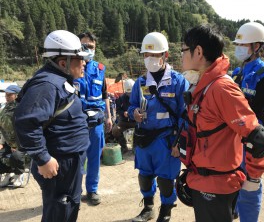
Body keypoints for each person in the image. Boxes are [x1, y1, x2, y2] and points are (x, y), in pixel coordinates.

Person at [179, 25, 264, 222]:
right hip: (202, 181)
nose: (181, 55)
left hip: (216, 186)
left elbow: (259, 139)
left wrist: (252, 180)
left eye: (183, 50)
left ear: (198, 52)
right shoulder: (202, 84)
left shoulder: (221, 88)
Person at [14, 30, 90, 222]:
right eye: (79, 59)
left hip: (69, 160)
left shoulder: (60, 80)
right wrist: (43, 158)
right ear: (63, 62)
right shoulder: (47, 85)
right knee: (59, 211)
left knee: (68, 208)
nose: (84, 63)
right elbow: (26, 123)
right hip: (58, 164)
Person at [128, 32, 189, 222]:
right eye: (146, 55)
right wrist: (133, 113)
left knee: (165, 179)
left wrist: (179, 143)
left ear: (165, 55)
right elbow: (131, 106)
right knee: (145, 176)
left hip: (166, 140)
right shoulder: (140, 82)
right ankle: (148, 209)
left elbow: (185, 115)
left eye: (155, 55)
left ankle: (166, 211)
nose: (150, 59)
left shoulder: (178, 82)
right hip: (145, 139)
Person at [231, 22, 264, 222]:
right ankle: (235, 210)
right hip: (233, 135)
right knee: (233, 177)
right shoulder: (236, 72)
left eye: (244, 45)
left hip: (251, 138)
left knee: (250, 183)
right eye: (238, 44)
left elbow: (258, 108)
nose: (239, 48)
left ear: (257, 46)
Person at [74, 31, 113, 206]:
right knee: (76, 159)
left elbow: (105, 94)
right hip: (77, 122)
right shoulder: (72, 67)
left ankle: (92, 190)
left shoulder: (100, 69)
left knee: (95, 158)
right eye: (84, 46)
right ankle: (74, 191)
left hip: (96, 121)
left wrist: (109, 117)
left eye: (91, 47)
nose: (88, 49)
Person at [0, 85, 25, 187]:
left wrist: (16, 145)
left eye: (9, 94)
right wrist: (1, 142)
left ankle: (19, 174)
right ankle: (8, 174)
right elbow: (3, 127)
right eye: (6, 94)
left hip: (21, 143)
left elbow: (24, 129)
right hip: (8, 142)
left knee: (16, 155)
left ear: (16, 95)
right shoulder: (3, 108)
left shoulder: (22, 109)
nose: (6, 96)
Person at [112, 79, 136, 154]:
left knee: (141, 129)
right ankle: (123, 147)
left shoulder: (139, 97)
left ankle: (136, 147)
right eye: (128, 93)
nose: (130, 95)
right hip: (124, 121)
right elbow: (118, 109)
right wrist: (123, 113)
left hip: (136, 121)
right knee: (115, 130)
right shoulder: (121, 98)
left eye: (131, 93)